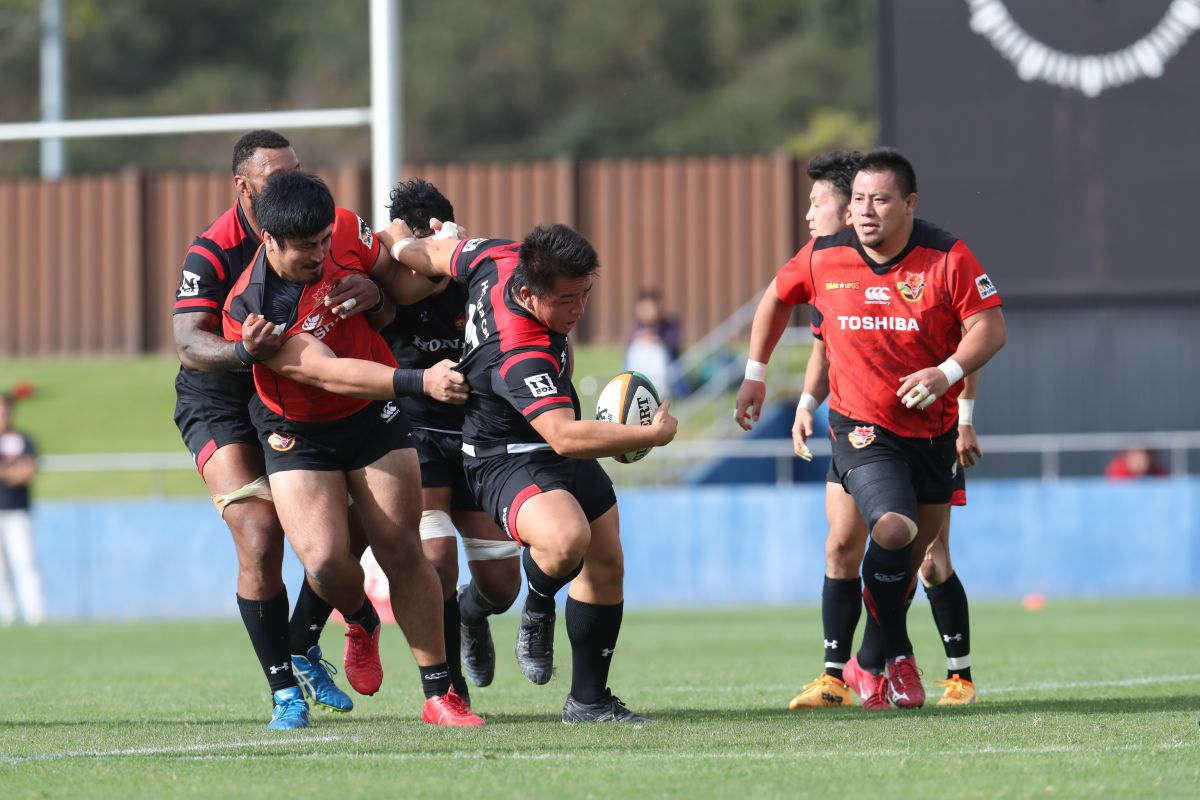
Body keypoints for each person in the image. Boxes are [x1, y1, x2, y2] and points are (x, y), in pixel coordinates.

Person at [734, 147, 1006, 709]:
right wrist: (757, 376)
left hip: (932, 435)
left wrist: (947, 377)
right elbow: (777, 299)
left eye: (879, 200)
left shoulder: (947, 257)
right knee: (888, 529)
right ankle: (882, 661)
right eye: (858, 199)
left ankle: (871, 664)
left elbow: (989, 329)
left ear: (909, 204)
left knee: (914, 560)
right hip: (861, 429)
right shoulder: (824, 256)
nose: (864, 210)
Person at [388, 221, 678, 723]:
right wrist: (650, 436)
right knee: (567, 538)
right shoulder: (519, 350)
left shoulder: (497, 256)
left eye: (585, 294)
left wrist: (399, 246)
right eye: (566, 300)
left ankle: (589, 701)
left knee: (607, 558)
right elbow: (564, 435)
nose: (579, 309)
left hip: (553, 436)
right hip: (504, 456)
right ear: (527, 294)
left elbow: (434, 253)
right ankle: (539, 606)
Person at [222, 169, 483, 727]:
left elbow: (400, 286)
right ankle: (361, 618)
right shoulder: (253, 309)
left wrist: (395, 282)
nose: (319, 254)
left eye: (323, 241)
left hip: (372, 419)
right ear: (269, 240)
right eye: (304, 247)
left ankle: (440, 694)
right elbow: (330, 373)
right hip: (298, 430)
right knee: (323, 563)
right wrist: (420, 381)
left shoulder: (342, 226)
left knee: (401, 548)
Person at [172, 130, 380, 729]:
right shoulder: (213, 250)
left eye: (297, 169)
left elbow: (387, 273)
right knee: (259, 532)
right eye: (274, 176)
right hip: (222, 397)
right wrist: (244, 352)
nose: (292, 182)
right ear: (243, 187)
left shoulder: (324, 224)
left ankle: (306, 638)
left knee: (352, 527)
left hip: (297, 391)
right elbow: (188, 344)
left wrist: (374, 291)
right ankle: (284, 690)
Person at [379, 178, 521, 704]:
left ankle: (471, 614)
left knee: (502, 585)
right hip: (412, 433)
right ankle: (449, 689)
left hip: (474, 435)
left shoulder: (476, 273)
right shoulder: (384, 277)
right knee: (435, 562)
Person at [0, 392, 45, 626]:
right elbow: (18, 471)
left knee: (25, 562)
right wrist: (13, 471)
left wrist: (6, 472)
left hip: (17, 509)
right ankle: (8, 615)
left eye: (4, 409)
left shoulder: (23, 439)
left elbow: (28, 471)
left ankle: (35, 615)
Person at [624, 290, 684, 398]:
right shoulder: (636, 328)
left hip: (668, 370)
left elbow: (674, 346)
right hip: (641, 368)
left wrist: (657, 339)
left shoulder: (669, 326)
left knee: (656, 348)